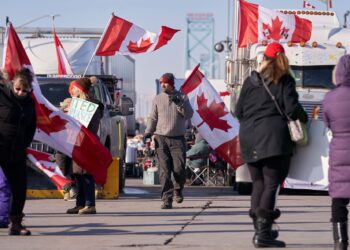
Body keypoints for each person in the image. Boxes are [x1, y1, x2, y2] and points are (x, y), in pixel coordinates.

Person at [235, 42, 308, 248]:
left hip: (249, 137)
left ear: (264, 59)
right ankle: (263, 233)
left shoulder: (250, 81)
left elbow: (238, 111)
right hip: (273, 138)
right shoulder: (285, 80)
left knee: (257, 183)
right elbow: (292, 109)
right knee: (271, 183)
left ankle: (260, 231)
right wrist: (305, 118)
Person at [144, 72, 193, 209]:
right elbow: (153, 118)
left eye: (165, 82)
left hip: (178, 139)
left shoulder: (182, 96)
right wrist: (148, 132)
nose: (162, 85)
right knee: (164, 171)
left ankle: (178, 189)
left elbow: (189, 114)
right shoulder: (158, 99)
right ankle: (167, 198)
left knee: (179, 169)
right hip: (161, 139)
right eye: (161, 83)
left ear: (171, 83)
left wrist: (180, 104)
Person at [0, 67, 37, 235]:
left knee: (20, 188)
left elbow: (31, 127)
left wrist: (24, 144)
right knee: (2, 186)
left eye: (25, 90)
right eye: (18, 89)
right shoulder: (2, 96)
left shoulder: (30, 103)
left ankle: (16, 223)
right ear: (12, 85)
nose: (21, 92)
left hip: (16, 152)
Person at [65, 77, 104, 215]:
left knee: (86, 174)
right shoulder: (75, 104)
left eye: (74, 88)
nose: (71, 91)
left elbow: (89, 126)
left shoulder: (91, 105)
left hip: (87, 143)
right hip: (76, 142)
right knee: (77, 174)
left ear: (80, 90)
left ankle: (90, 204)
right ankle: (79, 203)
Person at [323, 54, 350, 250]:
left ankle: (340, 243)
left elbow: (327, 122)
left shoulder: (330, 98)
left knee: (339, 201)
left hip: (340, 153)